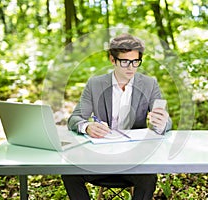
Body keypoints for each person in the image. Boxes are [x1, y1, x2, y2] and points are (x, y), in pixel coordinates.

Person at [62, 33, 172, 200]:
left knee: (149, 178)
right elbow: (74, 119)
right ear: (112, 60)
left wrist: (162, 122)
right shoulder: (95, 84)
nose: (131, 68)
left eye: (136, 62)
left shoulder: (150, 84)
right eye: (125, 62)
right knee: (69, 174)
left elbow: (166, 121)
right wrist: (87, 126)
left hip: (134, 160)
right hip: (99, 159)